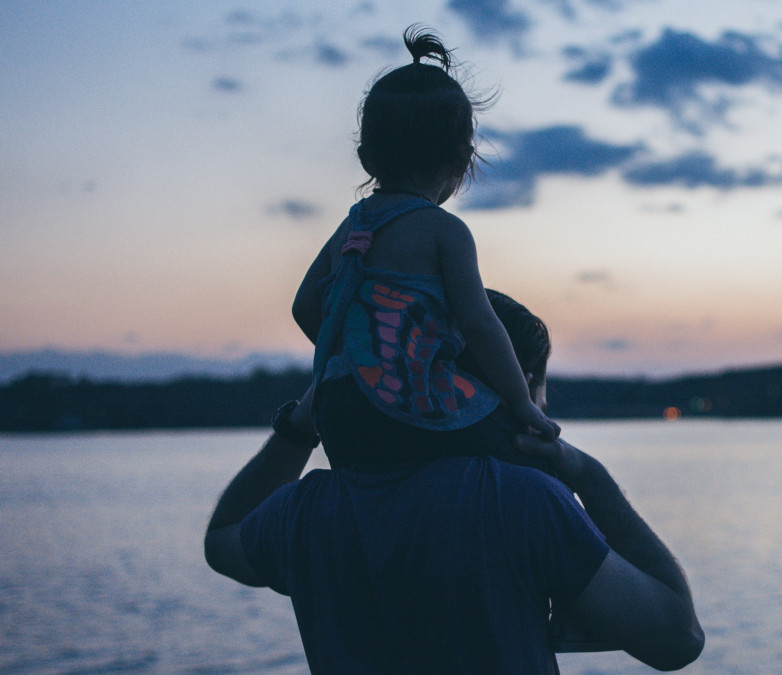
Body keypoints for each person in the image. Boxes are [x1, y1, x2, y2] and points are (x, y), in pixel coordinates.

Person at [204, 291, 704, 673]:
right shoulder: (520, 503)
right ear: (517, 383)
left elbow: (222, 540)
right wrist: (590, 479)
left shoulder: (308, 512)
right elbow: (678, 639)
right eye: (539, 384)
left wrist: (302, 423)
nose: (545, 409)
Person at [291, 26, 557, 471]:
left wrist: (360, 357)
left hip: (337, 414)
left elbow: (304, 308)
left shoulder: (351, 227)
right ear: (462, 160)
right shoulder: (443, 230)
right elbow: (480, 324)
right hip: (413, 404)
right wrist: (521, 402)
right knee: (533, 458)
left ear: (365, 158)